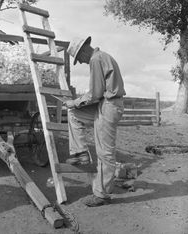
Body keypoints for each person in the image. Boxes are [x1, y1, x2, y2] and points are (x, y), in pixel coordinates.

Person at [65, 36, 126, 207]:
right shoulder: (101, 57)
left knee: (105, 152)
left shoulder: (96, 59)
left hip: (109, 105)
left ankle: (102, 194)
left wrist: (74, 101)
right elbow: (97, 94)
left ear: (83, 50)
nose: (82, 62)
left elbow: (94, 94)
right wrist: (75, 105)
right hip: (105, 104)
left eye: (79, 58)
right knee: (74, 114)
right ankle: (80, 152)